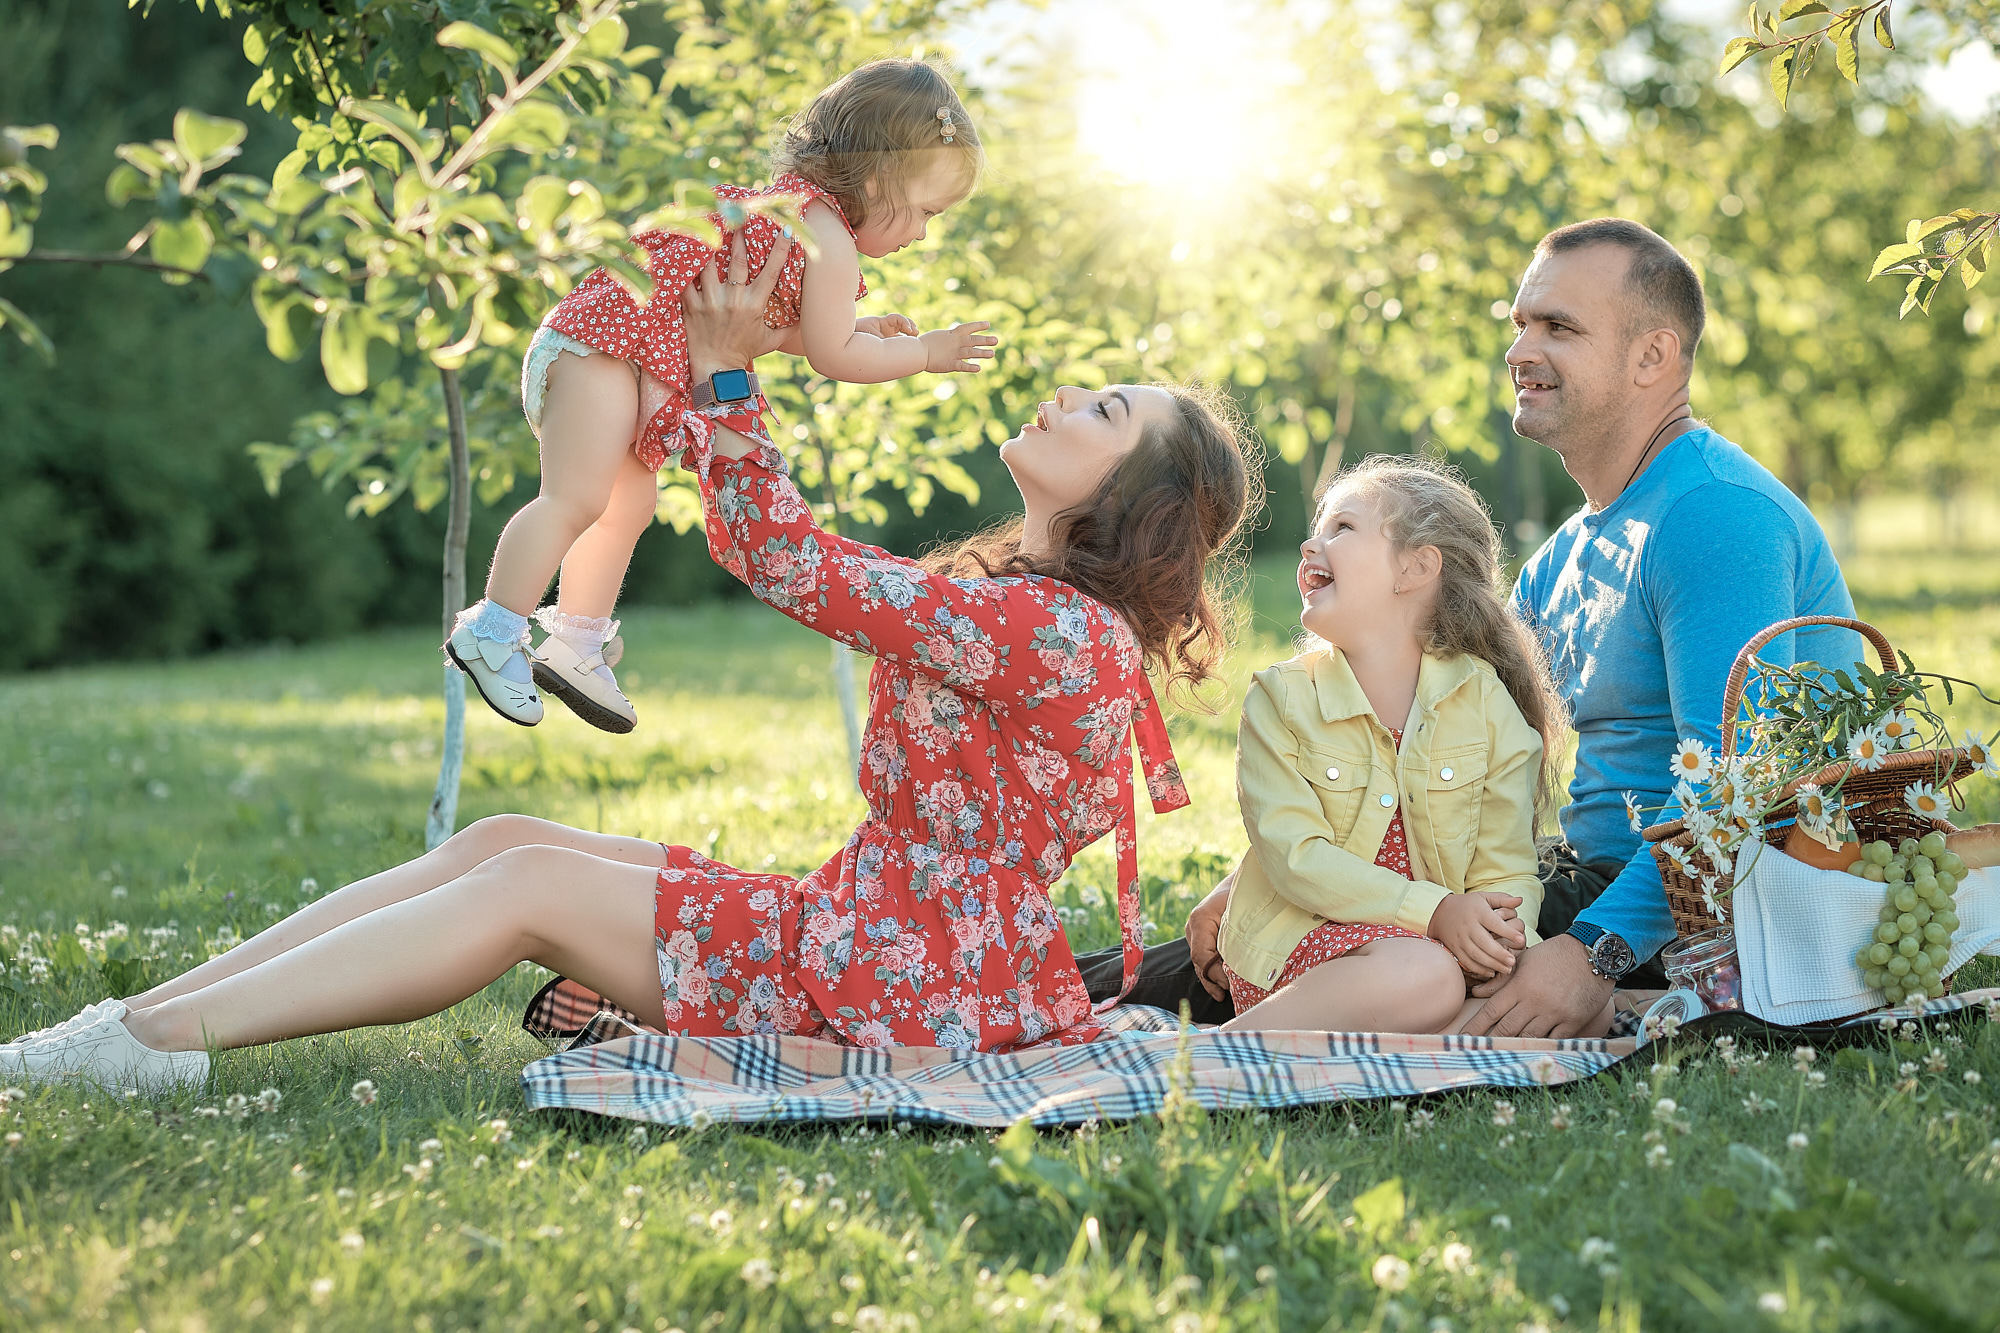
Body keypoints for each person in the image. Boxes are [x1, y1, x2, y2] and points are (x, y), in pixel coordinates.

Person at [2, 236, 1255, 1093]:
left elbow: (788, 558)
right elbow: (819, 564)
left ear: (1132, 499)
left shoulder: (1055, 631)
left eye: (1104, 412)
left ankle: (150, 1038)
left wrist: (717, 374)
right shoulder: (1019, 603)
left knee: (522, 887)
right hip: (885, 944)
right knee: (501, 837)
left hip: (899, 987)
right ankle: (134, 1024)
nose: (1066, 395)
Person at [1082, 218, 1854, 1036]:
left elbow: (1737, 795)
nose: (1522, 349)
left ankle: (1052, 1018)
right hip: (1574, 879)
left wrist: (1591, 954)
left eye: (1559, 326)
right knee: (1258, 939)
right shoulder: (1569, 552)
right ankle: (1037, 1003)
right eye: (1520, 323)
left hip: (1695, 910)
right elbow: (1433, 737)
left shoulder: (1713, 517)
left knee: (1386, 959)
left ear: (1652, 357)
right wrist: (1256, 878)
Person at [450, 58, 998, 735]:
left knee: (627, 502)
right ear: (881, 177)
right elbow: (835, 356)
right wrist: (924, 352)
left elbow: (782, 325)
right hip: (605, 349)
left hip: (612, 351)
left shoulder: (796, 212)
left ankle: (576, 642)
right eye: (924, 213)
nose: (920, 234)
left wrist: (859, 327)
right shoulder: (828, 237)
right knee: (577, 498)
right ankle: (493, 628)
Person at [1215, 455, 1568, 1034]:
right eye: (1317, 527)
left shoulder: (1485, 703)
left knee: (1564, 999)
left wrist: (1503, 948)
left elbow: (1505, 866)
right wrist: (1433, 913)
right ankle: (1225, 1051)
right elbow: (1296, 857)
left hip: (1439, 947)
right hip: (1307, 949)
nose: (1310, 545)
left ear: (1416, 567)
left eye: (1342, 528)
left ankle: (1395, 1047)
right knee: (1425, 978)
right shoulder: (1280, 699)